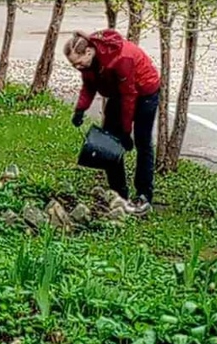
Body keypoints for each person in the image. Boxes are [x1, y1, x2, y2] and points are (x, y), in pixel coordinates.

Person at [65, 29, 160, 215]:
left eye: (78, 62)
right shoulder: (88, 65)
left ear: (89, 52)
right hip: (119, 93)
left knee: (142, 142)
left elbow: (129, 95)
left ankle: (144, 195)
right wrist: (80, 109)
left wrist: (126, 132)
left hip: (144, 92)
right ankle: (118, 193)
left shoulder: (121, 58)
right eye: (73, 65)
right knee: (108, 142)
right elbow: (89, 86)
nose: (77, 67)